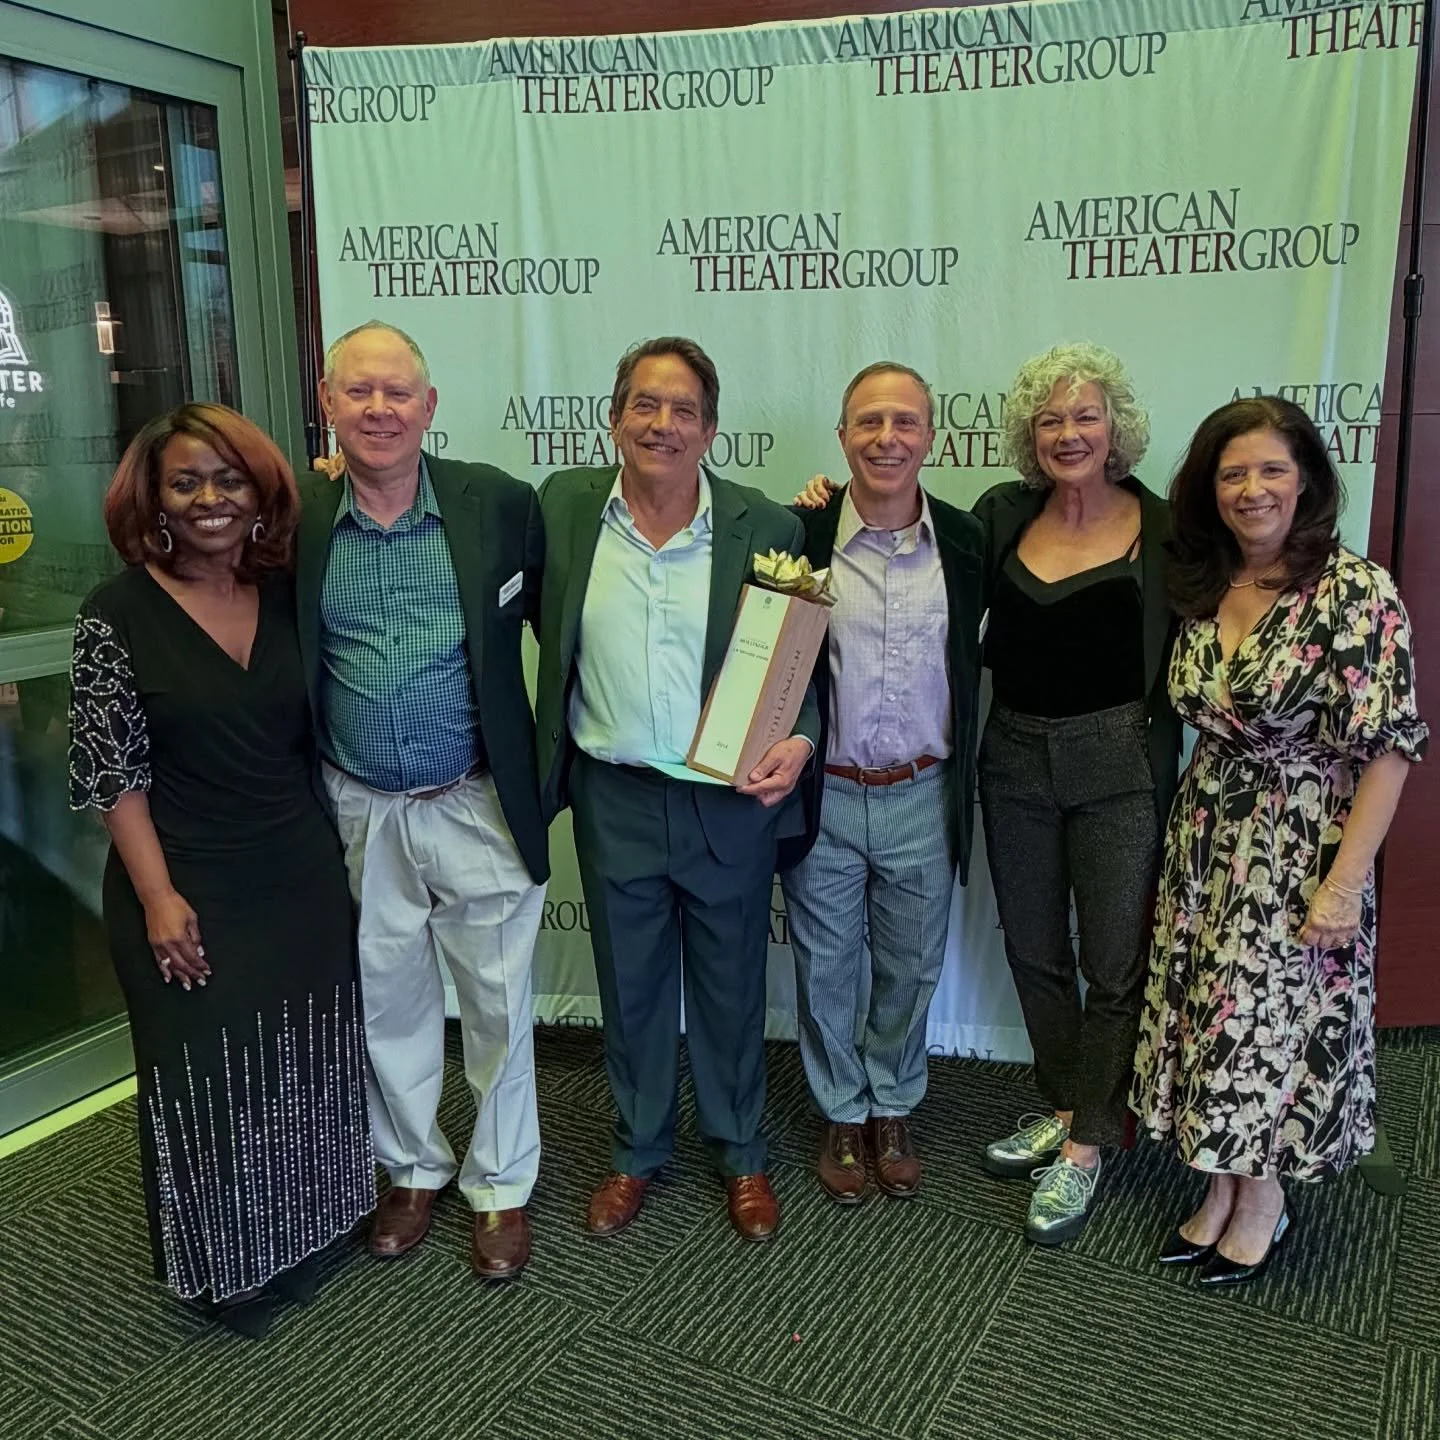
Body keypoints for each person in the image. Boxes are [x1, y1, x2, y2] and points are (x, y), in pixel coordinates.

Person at [796, 342, 1179, 1243]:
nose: (1069, 433)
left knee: (1113, 962)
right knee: (1035, 950)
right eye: (1050, 420)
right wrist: (811, 503)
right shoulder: (998, 520)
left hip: (1115, 768)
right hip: (1006, 763)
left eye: (1085, 416)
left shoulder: (1161, 529)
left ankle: (1087, 1138)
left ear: (1116, 426)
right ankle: (1038, 1103)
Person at [68, 404, 373, 1339]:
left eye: (229, 479)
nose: (209, 499)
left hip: (298, 871)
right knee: (205, 1076)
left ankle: (305, 1229)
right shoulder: (112, 614)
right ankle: (224, 1267)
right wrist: (158, 898)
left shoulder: (284, 587)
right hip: (185, 885)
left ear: (258, 491)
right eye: (186, 482)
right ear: (152, 499)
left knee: (303, 1055)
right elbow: (110, 772)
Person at [1131, 397, 1426, 1285]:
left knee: (1273, 1024)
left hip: (1301, 847)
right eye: (1232, 474)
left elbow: (1391, 747)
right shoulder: (1203, 579)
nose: (1251, 490)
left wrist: (1344, 885)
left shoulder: (1354, 591)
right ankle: (1222, 1183)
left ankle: (1265, 1198)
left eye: (1271, 470)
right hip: (1207, 837)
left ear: (1307, 481)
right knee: (1212, 1018)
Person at [534, 336, 818, 1243]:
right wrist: (341, 472)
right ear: (613, 417)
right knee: (634, 987)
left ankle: (741, 1154)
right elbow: (461, 517)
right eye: (645, 405)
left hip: (726, 800)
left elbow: (800, 659)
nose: (663, 424)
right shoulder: (564, 509)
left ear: (711, 429)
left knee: (733, 985)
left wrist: (803, 733)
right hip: (613, 793)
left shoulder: (764, 527)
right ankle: (637, 1150)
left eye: (684, 410)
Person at [297, 320, 548, 1281]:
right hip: (361, 806)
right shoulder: (303, 518)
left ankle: (501, 1185)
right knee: (387, 1001)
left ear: (430, 407)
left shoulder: (498, 504)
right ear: (328, 404)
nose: (378, 409)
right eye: (357, 392)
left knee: (497, 1004)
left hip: (475, 801)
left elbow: (562, 631)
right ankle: (411, 1169)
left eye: (398, 392)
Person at [778, 362, 985, 1204]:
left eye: (904, 423)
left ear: (931, 437)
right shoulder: (800, 534)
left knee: (909, 966)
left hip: (922, 794)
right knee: (825, 969)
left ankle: (891, 1104)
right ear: (842, 436)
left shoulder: (971, 541)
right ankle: (839, 1109)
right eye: (868, 422)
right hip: (825, 794)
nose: (886, 439)